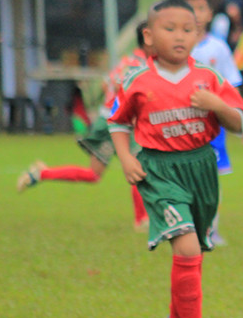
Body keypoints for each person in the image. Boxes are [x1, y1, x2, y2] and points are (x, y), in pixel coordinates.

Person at [108, 0, 243, 318]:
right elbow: (118, 122)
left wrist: (214, 104)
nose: (180, 36)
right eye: (169, 29)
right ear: (149, 36)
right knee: (186, 245)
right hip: (159, 170)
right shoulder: (137, 81)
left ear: (198, 36)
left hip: (201, 167)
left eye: (188, 30)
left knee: (193, 250)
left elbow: (239, 123)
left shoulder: (208, 77)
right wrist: (125, 158)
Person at [17, 22, 151, 232]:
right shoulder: (142, 66)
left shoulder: (128, 59)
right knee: (138, 167)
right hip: (120, 122)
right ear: (149, 37)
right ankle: (142, 220)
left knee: (94, 174)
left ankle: (42, 173)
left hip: (106, 119)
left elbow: (107, 84)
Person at [177, 0, 243, 247]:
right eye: (190, 9)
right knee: (182, 177)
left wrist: (242, 120)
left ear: (210, 13)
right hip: (179, 125)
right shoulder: (174, 47)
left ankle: (210, 229)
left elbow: (231, 84)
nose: (196, 14)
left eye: (200, 8)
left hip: (212, 126)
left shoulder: (218, 48)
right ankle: (182, 225)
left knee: (211, 179)